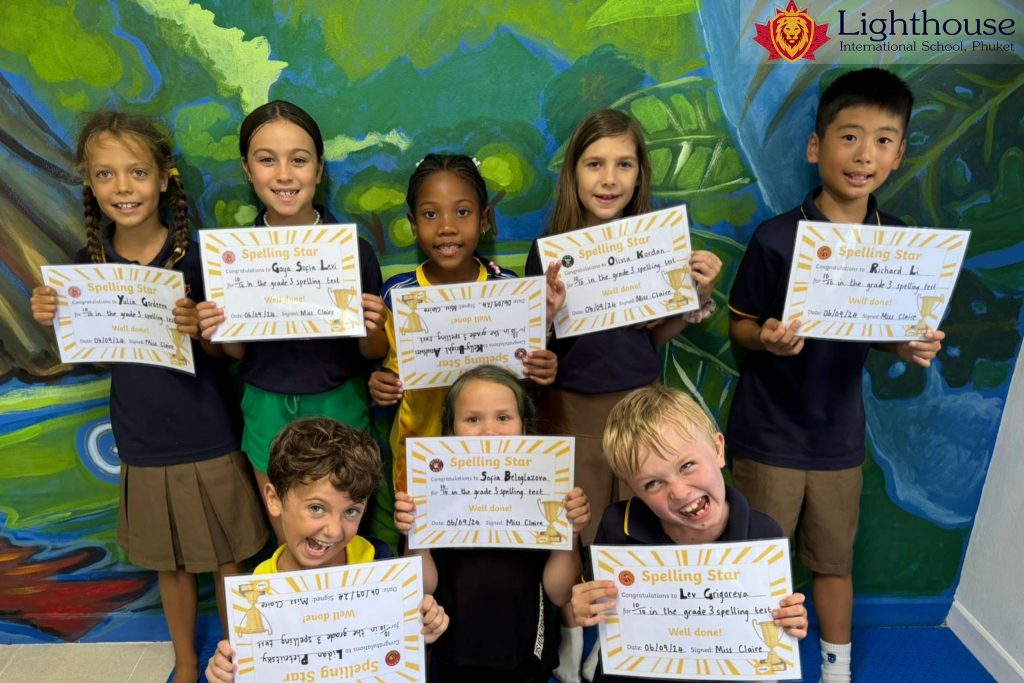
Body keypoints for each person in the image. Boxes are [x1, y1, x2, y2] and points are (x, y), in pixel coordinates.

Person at [30, 111, 268, 683]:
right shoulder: (85, 269)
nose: (123, 187)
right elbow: (89, 353)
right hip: (141, 437)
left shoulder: (201, 259)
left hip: (209, 430)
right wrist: (51, 318)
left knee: (228, 556)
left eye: (137, 172)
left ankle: (245, 660)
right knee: (170, 562)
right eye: (105, 174)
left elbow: (229, 353)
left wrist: (203, 329)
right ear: (90, 184)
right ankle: (186, 663)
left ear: (164, 179)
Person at [726, 68, 943, 683]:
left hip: (838, 439)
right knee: (759, 562)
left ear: (899, 155)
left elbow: (885, 328)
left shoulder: (898, 243)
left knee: (833, 562)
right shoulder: (775, 238)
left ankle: (836, 670)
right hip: (767, 435)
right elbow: (739, 326)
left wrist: (907, 343)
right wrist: (766, 337)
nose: (864, 154)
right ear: (815, 146)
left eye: (882, 140)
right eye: (849, 137)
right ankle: (753, 666)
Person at [525, 108, 723, 681]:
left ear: (640, 175)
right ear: (573, 172)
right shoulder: (547, 250)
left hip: (641, 411)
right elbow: (534, 351)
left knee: (639, 527)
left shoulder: (656, 246)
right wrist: (545, 316)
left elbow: (648, 337)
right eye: (594, 164)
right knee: (574, 533)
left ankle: (612, 645)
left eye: (623, 165)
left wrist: (694, 299)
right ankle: (570, 640)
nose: (609, 179)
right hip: (572, 413)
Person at [195, 100, 389, 544]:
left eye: (298, 160)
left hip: (340, 405)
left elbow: (372, 354)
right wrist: (216, 330)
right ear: (247, 169)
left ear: (318, 169)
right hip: (266, 408)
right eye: (267, 160)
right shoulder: (232, 258)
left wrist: (374, 326)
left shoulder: (352, 252)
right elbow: (234, 352)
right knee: (291, 540)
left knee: (341, 536)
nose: (284, 174)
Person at [570, 385, 808, 683]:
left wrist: (791, 620)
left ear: (718, 450)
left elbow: (774, 621)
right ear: (635, 490)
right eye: (653, 483)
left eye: (687, 466)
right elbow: (595, 599)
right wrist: (585, 604)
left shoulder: (764, 534)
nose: (680, 492)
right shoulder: (619, 525)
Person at [369, 153, 563, 499]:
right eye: (431, 214)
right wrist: (381, 385)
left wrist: (540, 367)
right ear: (413, 224)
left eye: (462, 212)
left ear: (484, 219)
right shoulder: (397, 295)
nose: (447, 227)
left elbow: (524, 377)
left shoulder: (509, 290)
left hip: (499, 462)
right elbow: (389, 369)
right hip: (422, 461)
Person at [204, 417, 449, 682]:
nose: (334, 530)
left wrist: (423, 622)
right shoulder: (255, 592)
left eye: (351, 511)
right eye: (317, 508)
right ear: (274, 500)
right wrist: (225, 673)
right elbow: (251, 667)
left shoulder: (376, 559)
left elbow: (418, 600)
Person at [393, 365, 591, 682]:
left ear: (524, 427)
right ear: (450, 431)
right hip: (454, 647)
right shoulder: (431, 492)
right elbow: (422, 589)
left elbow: (560, 593)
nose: (489, 432)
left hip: (526, 649)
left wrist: (570, 532)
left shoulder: (547, 488)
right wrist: (415, 535)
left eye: (503, 417)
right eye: (473, 419)